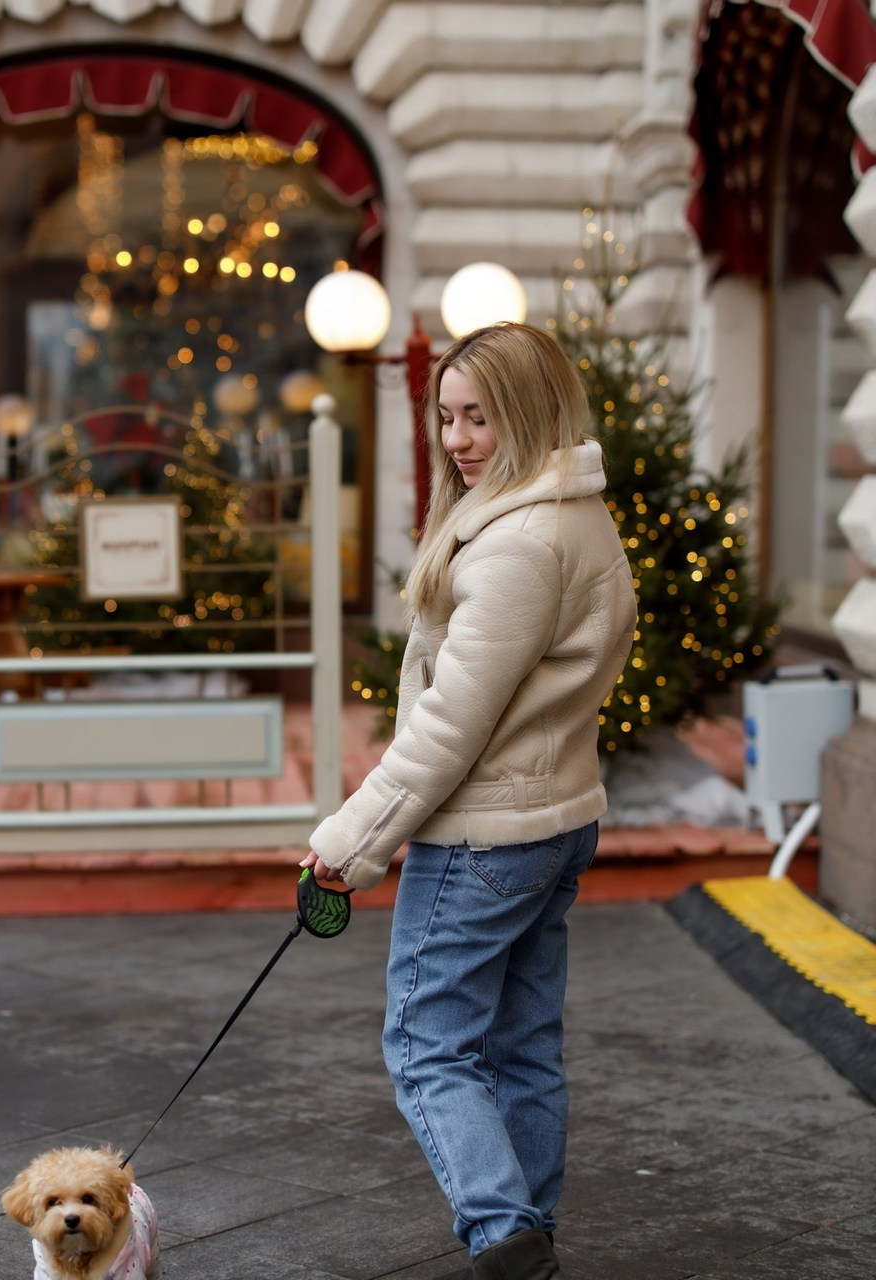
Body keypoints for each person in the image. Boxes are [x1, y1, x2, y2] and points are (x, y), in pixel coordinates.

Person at [301, 322, 636, 1280]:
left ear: (529, 412)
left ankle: (503, 1235)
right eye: (446, 416)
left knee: (426, 1043)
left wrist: (349, 843)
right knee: (524, 1042)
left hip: (487, 834)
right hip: (557, 817)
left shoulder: (517, 547)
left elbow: (450, 727)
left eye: (480, 416)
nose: (457, 439)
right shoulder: (575, 514)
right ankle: (532, 1234)